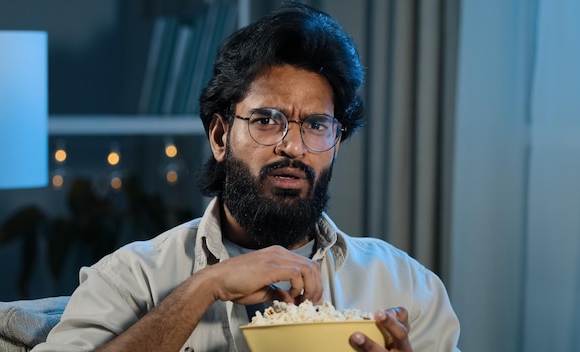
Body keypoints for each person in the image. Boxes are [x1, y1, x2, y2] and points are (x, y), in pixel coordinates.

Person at [33, 2, 460, 351]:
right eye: (268, 120)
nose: (293, 147)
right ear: (220, 136)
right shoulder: (132, 277)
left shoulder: (405, 285)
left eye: (316, 125)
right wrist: (204, 287)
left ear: (336, 143)